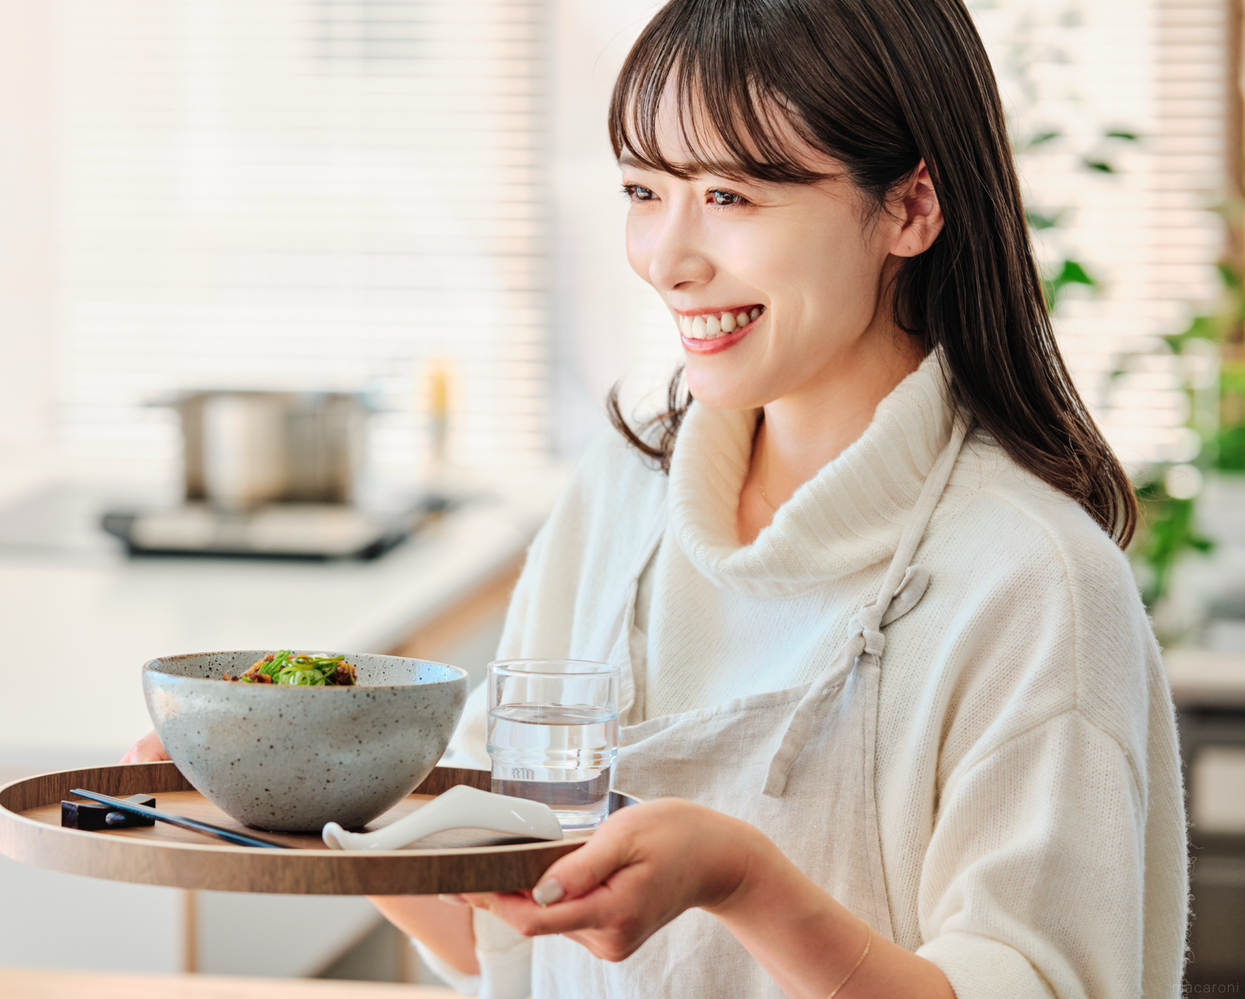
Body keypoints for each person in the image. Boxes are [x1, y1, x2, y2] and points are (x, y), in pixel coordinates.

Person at [124, 0, 1189, 995]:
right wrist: (300, 806)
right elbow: (505, 938)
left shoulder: (1032, 582)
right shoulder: (623, 499)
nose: (667, 259)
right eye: (644, 191)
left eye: (729, 195)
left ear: (909, 206)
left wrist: (743, 882)